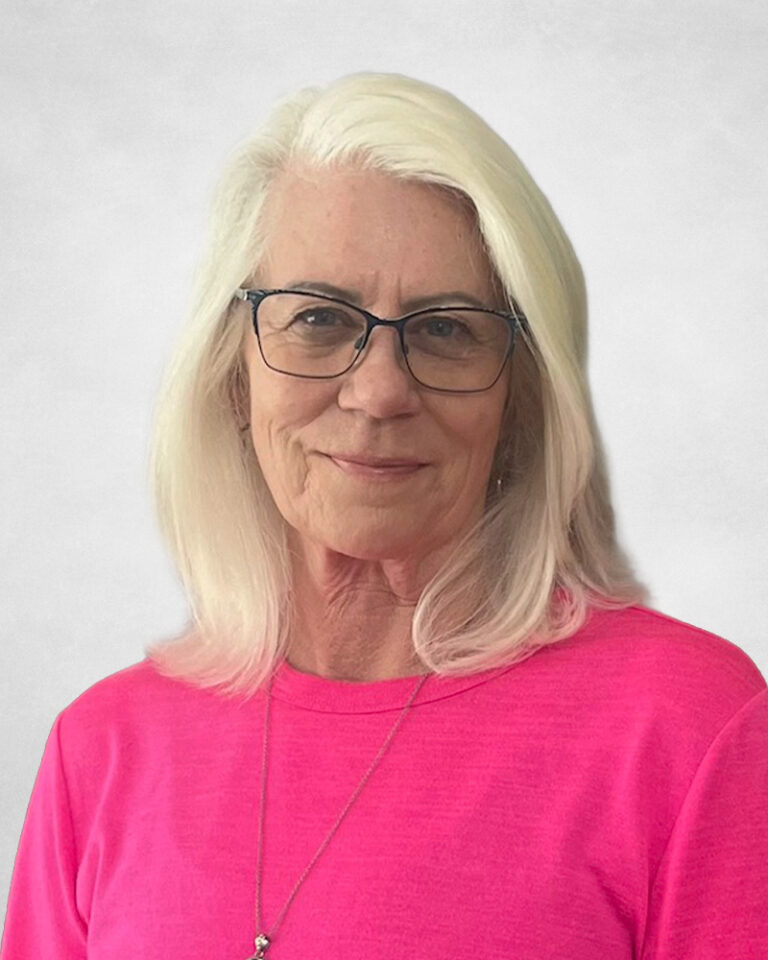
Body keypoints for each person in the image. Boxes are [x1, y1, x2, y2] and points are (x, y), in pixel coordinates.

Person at [2, 72, 766, 960]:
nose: (378, 393)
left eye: (446, 329)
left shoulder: (689, 731)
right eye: (318, 319)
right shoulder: (101, 754)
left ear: (522, 398)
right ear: (233, 377)